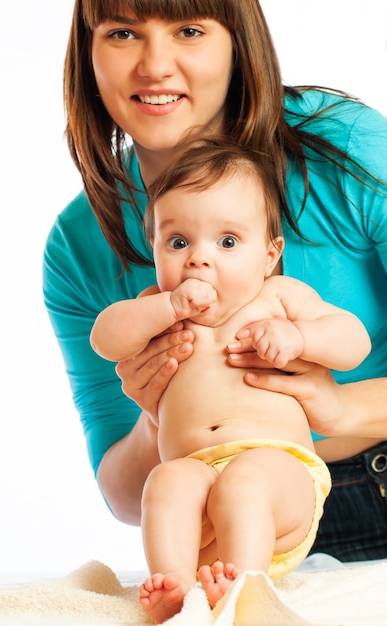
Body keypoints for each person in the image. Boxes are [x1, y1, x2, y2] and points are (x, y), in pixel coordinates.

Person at [43, 0, 387, 564]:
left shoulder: (345, 147)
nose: (155, 65)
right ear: (88, 54)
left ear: (238, 44)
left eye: (189, 29)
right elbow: (124, 494)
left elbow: (343, 340)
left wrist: (341, 408)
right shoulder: (79, 244)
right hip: (210, 525)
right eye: (124, 32)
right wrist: (154, 414)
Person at [90, 138, 370, 622]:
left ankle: (247, 591)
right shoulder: (158, 306)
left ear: (269, 254)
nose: (199, 259)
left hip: (281, 478)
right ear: (154, 248)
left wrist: (299, 336)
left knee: (246, 479)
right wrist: (166, 306)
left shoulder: (279, 297)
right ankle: (175, 590)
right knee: (166, 478)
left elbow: (354, 341)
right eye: (178, 242)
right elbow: (105, 337)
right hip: (199, 495)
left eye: (227, 242)